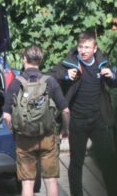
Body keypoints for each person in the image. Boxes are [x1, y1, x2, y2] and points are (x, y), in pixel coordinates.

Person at [46, 31, 117, 196]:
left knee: (107, 160)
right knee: (76, 163)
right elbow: (49, 77)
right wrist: (65, 75)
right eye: (80, 47)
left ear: (95, 49)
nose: (83, 51)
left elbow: (116, 82)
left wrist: (112, 75)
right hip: (77, 121)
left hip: (98, 120)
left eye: (87, 47)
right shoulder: (70, 64)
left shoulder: (102, 63)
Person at [5, 45, 71, 196]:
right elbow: (66, 110)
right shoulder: (50, 82)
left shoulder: (16, 83)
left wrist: (14, 132)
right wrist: (65, 130)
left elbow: (6, 116)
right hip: (48, 136)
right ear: (40, 61)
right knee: (50, 180)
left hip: (24, 139)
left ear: (24, 60)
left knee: (27, 182)